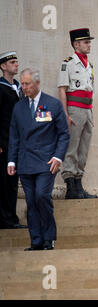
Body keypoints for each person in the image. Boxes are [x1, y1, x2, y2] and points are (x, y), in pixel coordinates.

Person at [7, 69, 70, 250]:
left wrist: (58, 157)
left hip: (46, 162)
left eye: (27, 84)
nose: (24, 87)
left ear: (37, 83)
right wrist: (11, 161)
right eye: (23, 84)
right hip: (25, 162)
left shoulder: (53, 104)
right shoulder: (19, 107)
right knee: (31, 201)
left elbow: (64, 134)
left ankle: (49, 237)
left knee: (42, 196)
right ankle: (36, 241)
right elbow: (14, 136)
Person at [57, 28, 98, 199]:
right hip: (74, 108)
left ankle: (79, 184)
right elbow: (62, 89)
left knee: (84, 148)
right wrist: (65, 114)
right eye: (86, 42)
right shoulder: (68, 63)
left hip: (87, 110)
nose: (89, 45)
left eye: (89, 42)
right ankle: (70, 186)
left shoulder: (89, 64)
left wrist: (90, 112)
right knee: (72, 147)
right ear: (76, 44)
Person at [0, 51, 27, 229]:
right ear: (3, 66)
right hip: (4, 142)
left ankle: (11, 217)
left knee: (12, 182)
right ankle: (4, 219)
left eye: (17, 62)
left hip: (16, 143)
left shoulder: (18, 87)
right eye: (12, 62)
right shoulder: (1, 87)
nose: (16, 65)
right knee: (4, 181)